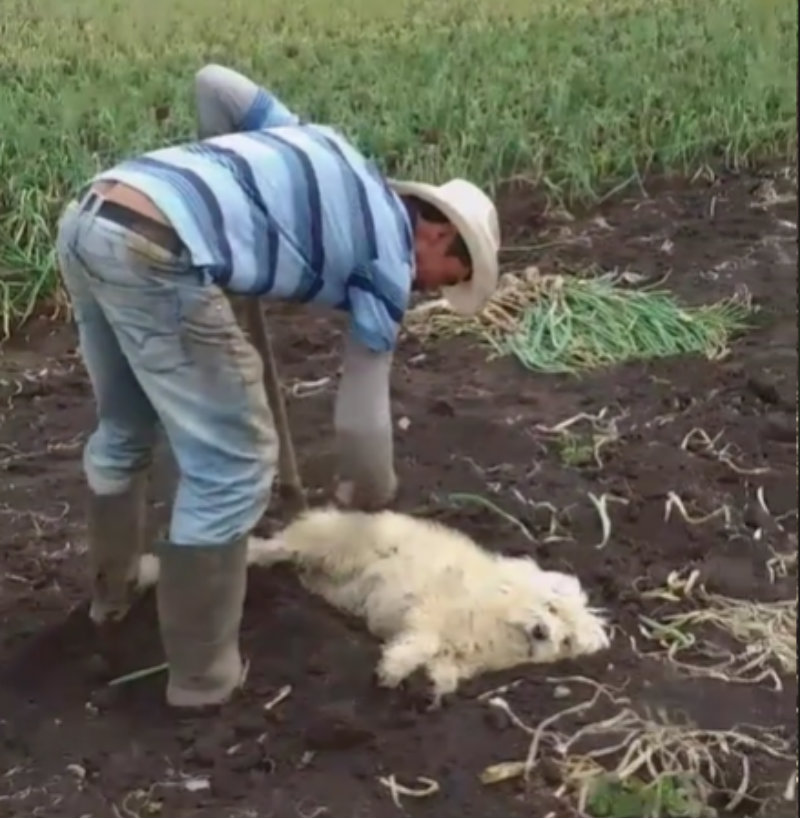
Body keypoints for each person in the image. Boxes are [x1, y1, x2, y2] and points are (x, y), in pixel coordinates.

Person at [55, 63, 500, 709]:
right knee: (233, 462)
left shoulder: (323, 143)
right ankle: (203, 680)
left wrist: (227, 199)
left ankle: (113, 596)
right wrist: (365, 498)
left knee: (126, 427)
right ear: (436, 232)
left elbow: (214, 85)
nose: (432, 289)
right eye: (449, 275)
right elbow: (362, 423)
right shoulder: (389, 261)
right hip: (157, 251)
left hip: (93, 215)